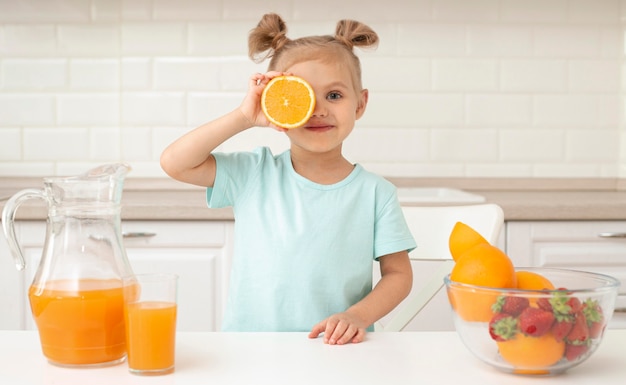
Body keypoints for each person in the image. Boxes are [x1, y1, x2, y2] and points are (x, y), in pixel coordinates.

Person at [160, 13, 416, 345]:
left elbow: (398, 275)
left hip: (338, 351)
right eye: (302, 95)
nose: (318, 109)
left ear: (360, 104)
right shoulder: (254, 173)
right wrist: (243, 117)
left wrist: (358, 316)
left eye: (334, 95)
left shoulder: (376, 193)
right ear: (277, 104)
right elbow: (175, 163)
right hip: (251, 349)